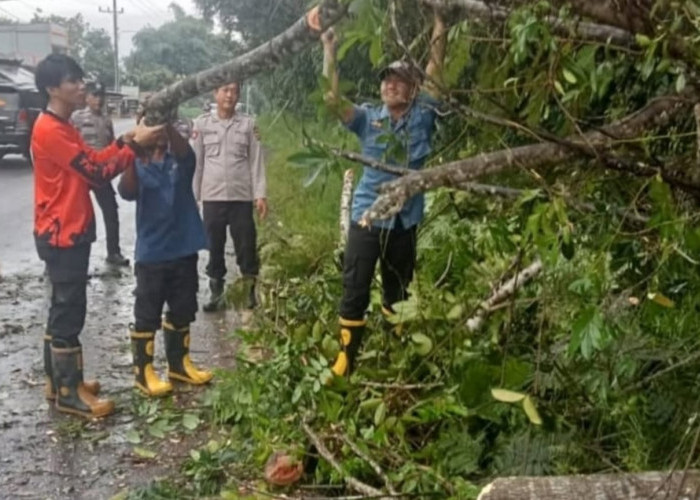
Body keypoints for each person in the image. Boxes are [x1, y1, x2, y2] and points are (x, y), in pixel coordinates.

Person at [32, 54, 162, 418]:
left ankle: (57, 381)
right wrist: (135, 145)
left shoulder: (63, 124)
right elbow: (98, 170)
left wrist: (126, 138)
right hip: (62, 231)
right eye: (72, 81)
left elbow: (95, 154)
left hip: (64, 227)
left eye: (79, 79)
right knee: (69, 310)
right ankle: (69, 393)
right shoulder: (50, 130)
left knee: (61, 304)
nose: (80, 86)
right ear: (52, 87)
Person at [318, 11, 447, 377]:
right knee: (355, 284)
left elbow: (436, 69)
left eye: (399, 80)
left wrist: (440, 23)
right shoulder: (367, 118)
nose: (391, 85)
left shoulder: (423, 115)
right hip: (367, 216)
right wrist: (329, 47)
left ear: (414, 89)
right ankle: (346, 359)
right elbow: (332, 99)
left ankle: (397, 350)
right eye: (386, 80)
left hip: (405, 220)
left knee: (398, 290)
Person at [118, 121, 212, 397]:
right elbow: (126, 192)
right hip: (153, 253)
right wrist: (132, 146)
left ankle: (178, 364)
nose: (157, 132)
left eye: (161, 127)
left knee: (183, 308)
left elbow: (188, 156)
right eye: (151, 126)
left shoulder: (178, 160)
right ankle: (143, 372)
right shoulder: (136, 163)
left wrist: (167, 124)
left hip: (183, 248)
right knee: (147, 313)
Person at [191, 82, 267, 323]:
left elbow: (256, 162)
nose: (230, 95)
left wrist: (260, 194)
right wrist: (193, 198)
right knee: (214, 245)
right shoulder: (202, 125)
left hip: (241, 196)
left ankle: (248, 292)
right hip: (212, 196)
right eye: (225, 90)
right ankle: (216, 292)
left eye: (234, 91)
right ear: (215, 93)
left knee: (246, 244)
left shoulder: (248, 125)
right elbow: (197, 164)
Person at [71, 81, 130, 267]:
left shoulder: (106, 119)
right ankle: (60, 260)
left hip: (101, 172)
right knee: (75, 215)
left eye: (100, 96)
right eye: (94, 95)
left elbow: (112, 144)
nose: (98, 99)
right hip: (82, 171)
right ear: (87, 97)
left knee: (111, 211)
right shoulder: (76, 118)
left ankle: (113, 252)